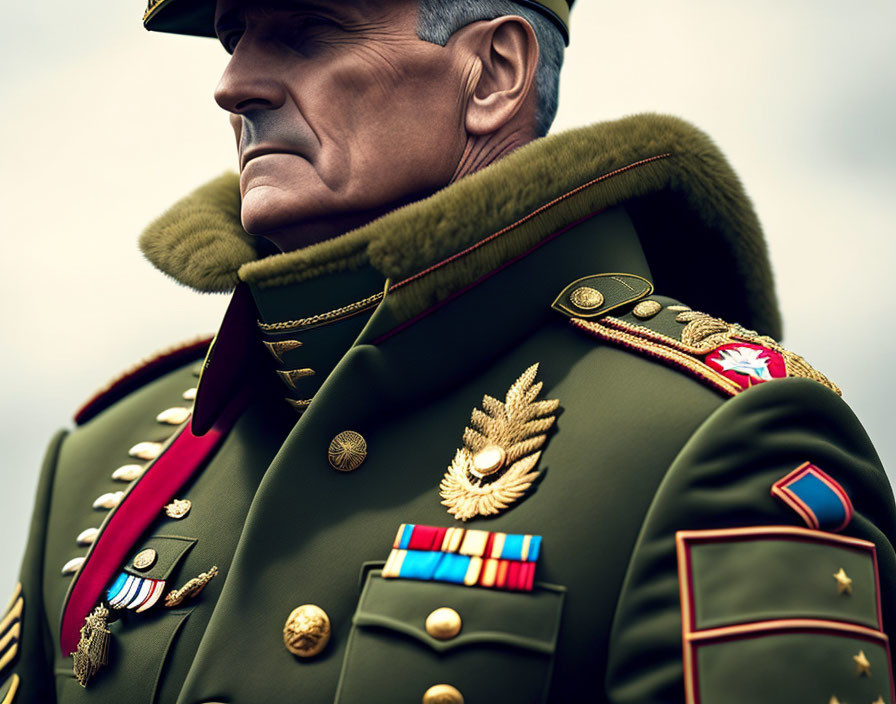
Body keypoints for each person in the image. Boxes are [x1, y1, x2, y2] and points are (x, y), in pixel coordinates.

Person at [2, 0, 894, 701]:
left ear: (494, 74)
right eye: (234, 37)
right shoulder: (101, 464)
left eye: (306, 31)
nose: (233, 85)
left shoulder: (711, 441)